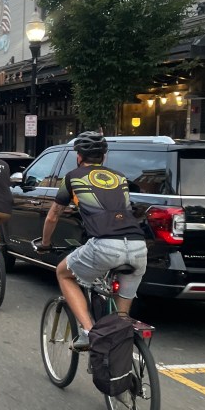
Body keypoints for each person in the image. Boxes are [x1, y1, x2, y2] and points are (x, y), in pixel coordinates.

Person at [35, 131, 147, 352]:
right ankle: (119, 349)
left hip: (105, 245)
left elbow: (53, 216)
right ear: (104, 157)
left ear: (78, 156)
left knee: (63, 273)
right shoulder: (120, 177)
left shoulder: (72, 177)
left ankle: (88, 331)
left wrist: (45, 243)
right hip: (138, 246)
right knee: (121, 319)